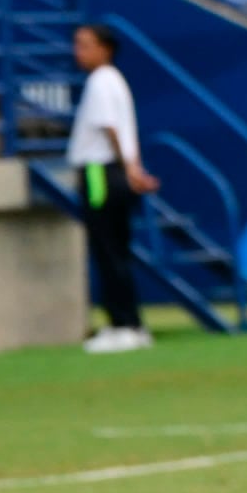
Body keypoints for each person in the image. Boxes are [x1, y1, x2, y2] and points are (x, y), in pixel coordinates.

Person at [68, 23, 157, 354]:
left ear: (105, 49)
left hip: (99, 172)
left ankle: (123, 326)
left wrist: (129, 167)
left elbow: (109, 129)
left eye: (86, 45)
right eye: (77, 44)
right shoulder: (114, 81)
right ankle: (129, 323)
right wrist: (133, 168)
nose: (79, 51)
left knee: (107, 249)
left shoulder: (100, 82)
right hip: (114, 171)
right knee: (116, 249)